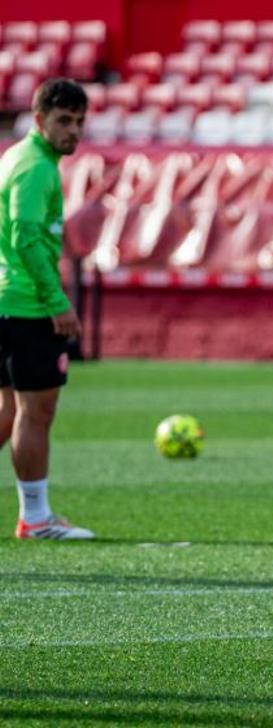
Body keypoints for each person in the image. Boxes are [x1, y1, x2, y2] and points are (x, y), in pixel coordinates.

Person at [0, 78, 92, 539]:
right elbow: (25, 237)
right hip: (27, 304)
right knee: (36, 411)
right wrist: (57, 301)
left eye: (79, 122)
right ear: (39, 119)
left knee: (8, 410)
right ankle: (35, 518)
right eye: (63, 121)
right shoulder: (36, 167)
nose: (73, 130)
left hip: (7, 299)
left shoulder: (18, 158)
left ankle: (34, 516)